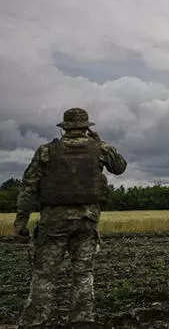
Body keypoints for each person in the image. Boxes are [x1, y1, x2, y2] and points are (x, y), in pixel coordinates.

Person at [13, 107, 127, 329]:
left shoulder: (46, 151)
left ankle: (35, 322)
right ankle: (82, 320)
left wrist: (21, 223)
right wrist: (101, 141)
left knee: (45, 274)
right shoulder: (99, 149)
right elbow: (120, 167)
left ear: (64, 127)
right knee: (83, 273)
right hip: (87, 221)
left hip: (54, 222)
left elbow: (29, 187)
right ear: (86, 128)